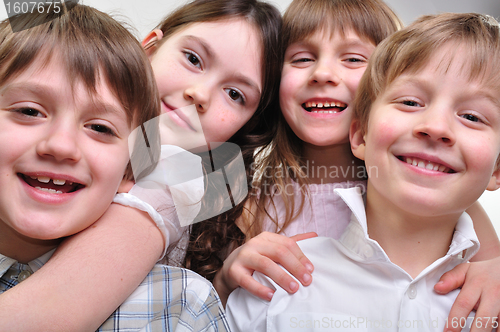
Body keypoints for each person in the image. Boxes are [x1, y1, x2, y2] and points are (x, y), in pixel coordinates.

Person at [189, 0, 500, 325]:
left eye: (353, 58)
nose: (322, 73)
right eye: (302, 58)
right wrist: (225, 282)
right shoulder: (250, 199)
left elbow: (484, 260)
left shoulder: (415, 188)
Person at [0, 0, 282, 330]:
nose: (200, 94)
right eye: (192, 59)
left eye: (235, 94)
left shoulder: (184, 180)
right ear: (149, 48)